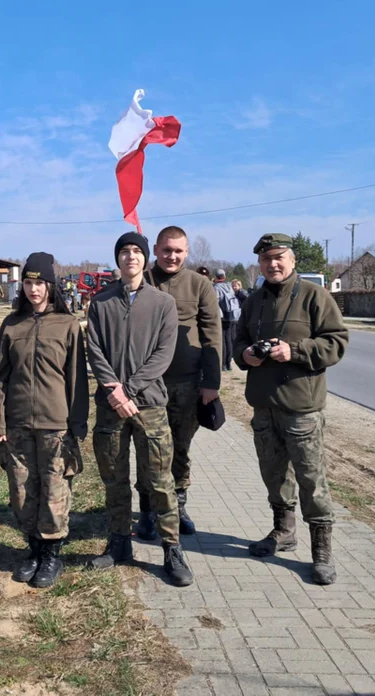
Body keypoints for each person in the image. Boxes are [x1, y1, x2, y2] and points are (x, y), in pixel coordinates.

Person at [233, 233, 349, 585]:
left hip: (302, 408)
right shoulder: (254, 301)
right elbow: (238, 341)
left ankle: (322, 552)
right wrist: (245, 355)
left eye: (279, 257)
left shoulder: (315, 296)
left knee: (312, 480)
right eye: (266, 259)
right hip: (264, 406)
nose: (273, 264)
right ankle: (283, 532)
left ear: (293, 260)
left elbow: (336, 342)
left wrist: (295, 352)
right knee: (274, 476)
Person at [85, 231, 193, 587]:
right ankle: (119, 542)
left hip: (149, 405)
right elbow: (95, 350)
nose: (130, 257)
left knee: (160, 480)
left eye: (136, 252)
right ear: (116, 259)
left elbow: (163, 354)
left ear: (145, 259)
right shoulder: (100, 304)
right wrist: (113, 391)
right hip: (110, 407)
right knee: (114, 479)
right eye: (124, 252)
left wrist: (129, 389)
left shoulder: (162, 303)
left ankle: (171, 548)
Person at [0, 252, 89, 588]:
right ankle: (32, 547)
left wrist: (77, 424)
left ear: (51, 285)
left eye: (40, 283)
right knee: (21, 490)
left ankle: (51, 554)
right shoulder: (11, 325)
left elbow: (76, 378)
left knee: (54, 490)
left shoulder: (67, 325)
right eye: (29, 283)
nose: (34, 290)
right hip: (17, 424)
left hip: (55, 424)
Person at [138, 226, 222, 539]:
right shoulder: (141, 281)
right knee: (148, 449)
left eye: (178, 251)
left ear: (187, 252)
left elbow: (213, 333)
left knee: (180, 448)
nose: (172, 256)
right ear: (156, 250)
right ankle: (147, 510)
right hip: (148, 384)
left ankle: (177, 506)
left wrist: (211, 382)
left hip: (188, 383)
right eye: (166, 250)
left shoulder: (199, 285)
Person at [214, 269, 242, 371]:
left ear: (216, 277)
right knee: (229, 340)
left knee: (223, 341)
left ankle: (223, 365)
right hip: (232, 316)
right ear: (224, 277)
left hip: (222, 317)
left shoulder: (216, 287)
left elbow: (215, 302)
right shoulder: (229, 286)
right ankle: (229, 363)